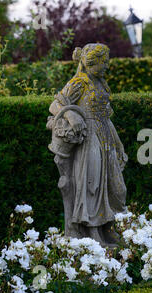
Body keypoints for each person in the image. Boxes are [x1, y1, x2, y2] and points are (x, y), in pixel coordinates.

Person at [47, 43, 128, 247]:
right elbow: (55, 104)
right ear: (90, 62)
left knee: (116, 186)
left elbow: (107, 118)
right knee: (92, 184)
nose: (107, 67)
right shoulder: (79, 83)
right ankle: (93, 231)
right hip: (89, 137)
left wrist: (118, 145)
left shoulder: (101, 84)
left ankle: (108, 226)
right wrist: (72, 115)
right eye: (103, 63)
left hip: (105, 135)